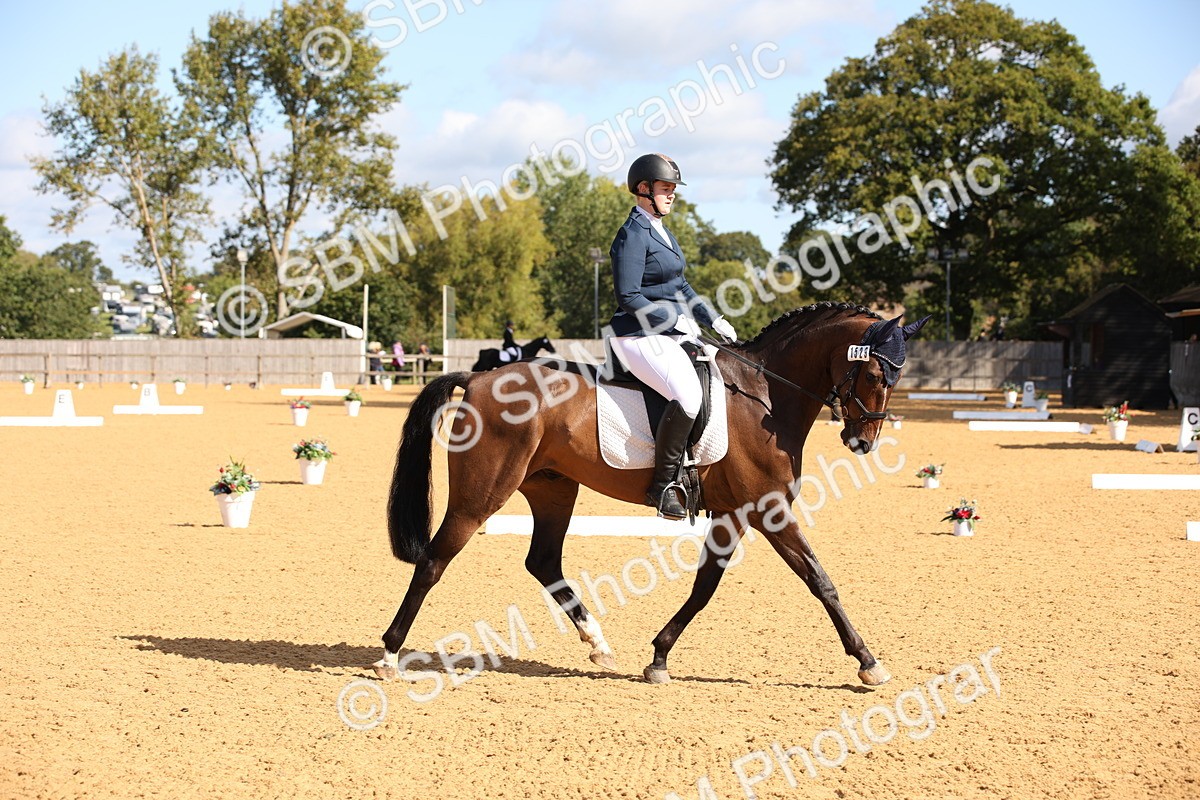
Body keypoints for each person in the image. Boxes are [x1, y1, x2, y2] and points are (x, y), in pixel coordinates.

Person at [607, 153, 737, 520]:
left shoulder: (662, 231)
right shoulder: (632, 234)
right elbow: (628, 296)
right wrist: (674, 321)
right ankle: (662, 486)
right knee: (689, 395)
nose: (672, 195)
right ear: (644, 189)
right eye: (666, 189)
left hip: (665, 333)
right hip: (636, 335)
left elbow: (681, 285)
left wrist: (713, 319)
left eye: (673, 190)